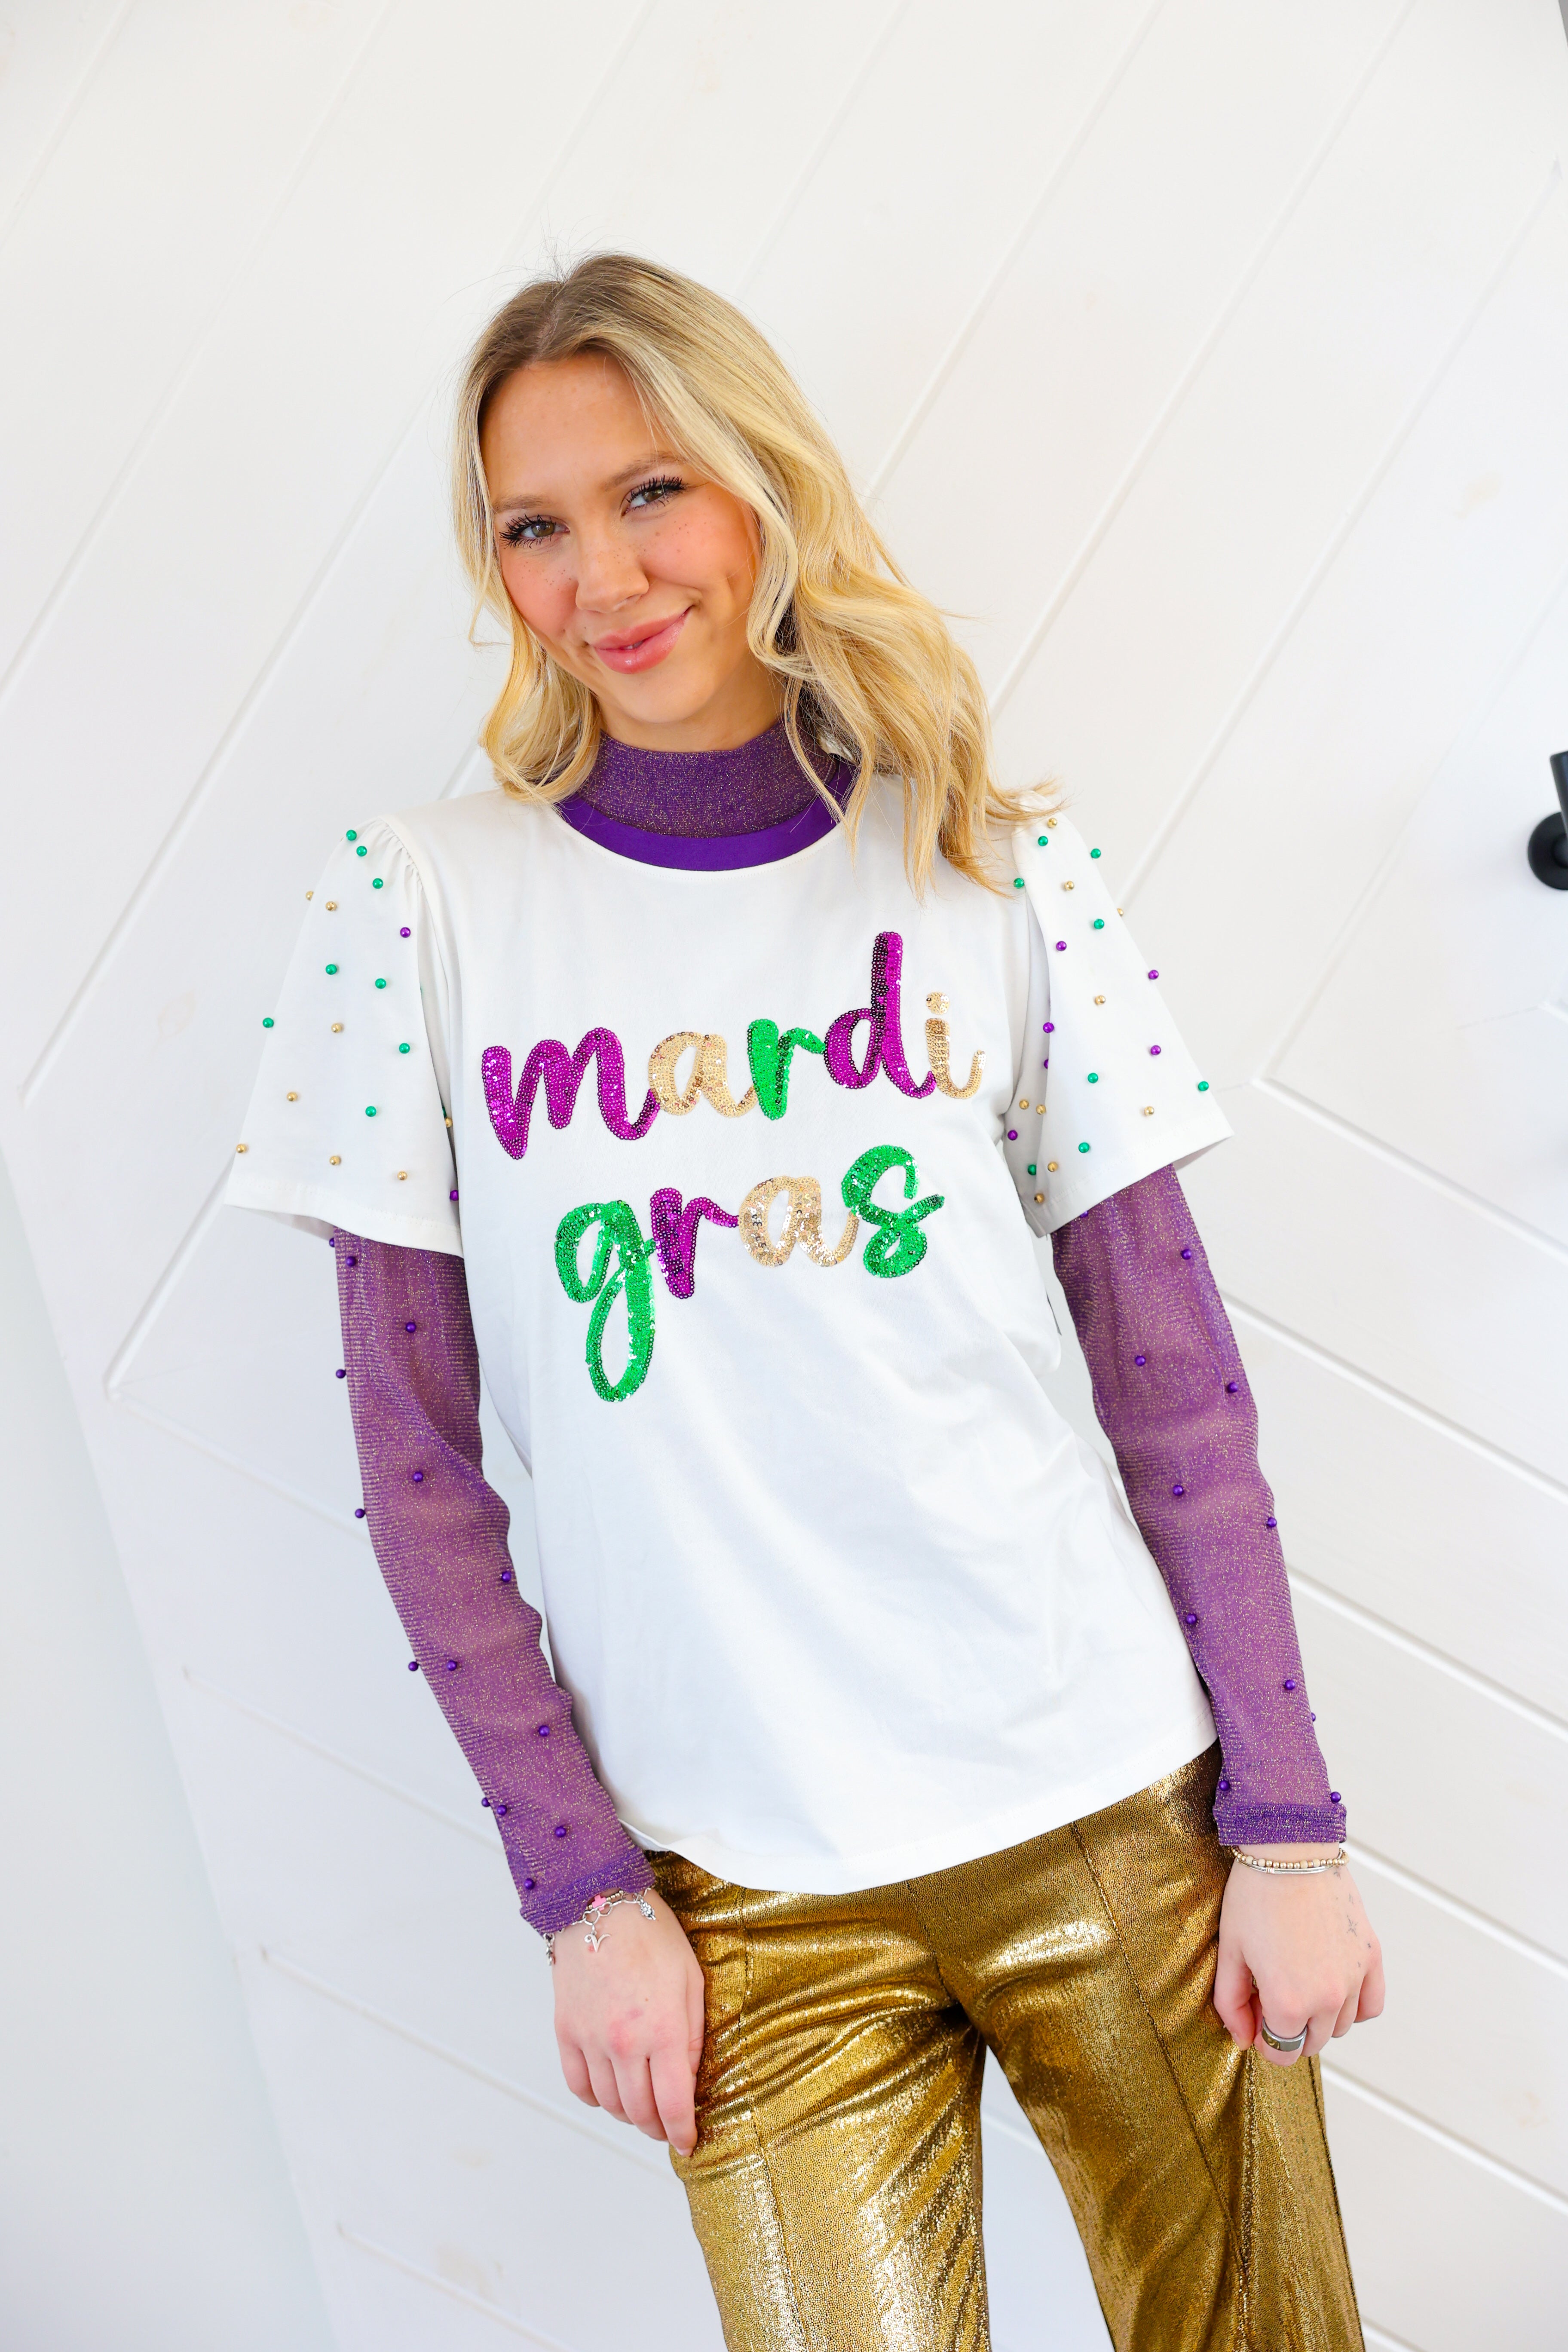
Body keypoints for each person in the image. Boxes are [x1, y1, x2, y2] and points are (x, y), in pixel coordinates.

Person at [229, 253, 1381, 2351]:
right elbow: (418, 1471)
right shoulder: (419, 905)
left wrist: (1287, 1831)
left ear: (765, 483)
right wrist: (582, 1890)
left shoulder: (996, 862)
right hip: (738, 1893)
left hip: (1111, 1802)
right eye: (535, 525)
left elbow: (1174, 1382)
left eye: (652, 491)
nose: (603, 576)